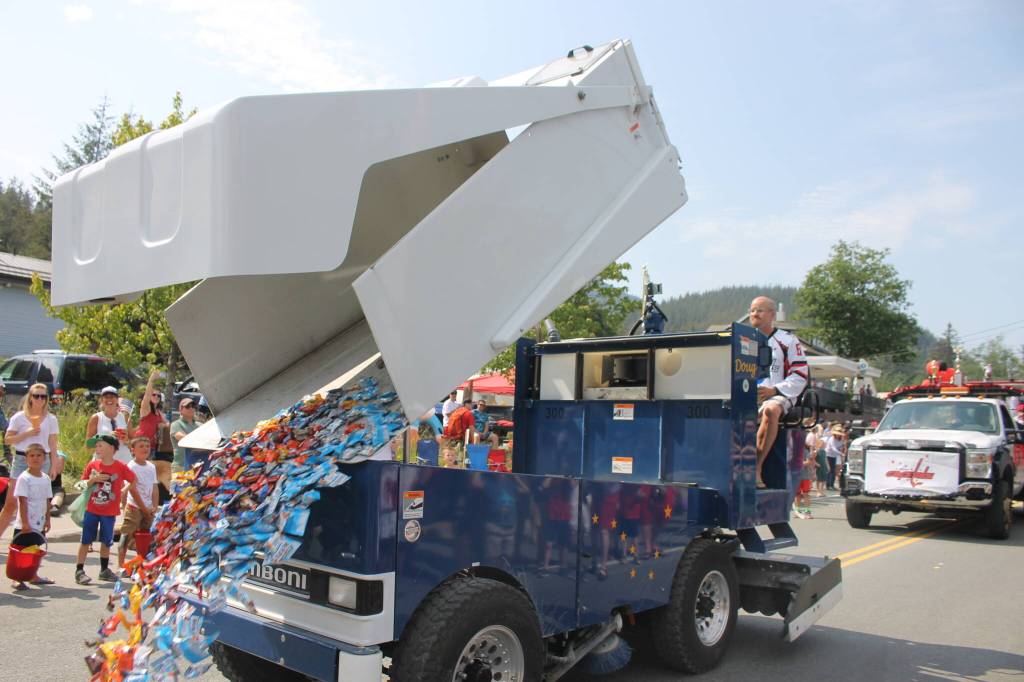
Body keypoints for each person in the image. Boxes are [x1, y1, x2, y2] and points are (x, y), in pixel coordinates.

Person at [749, 297, 809, 488]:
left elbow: (800, 375)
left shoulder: (788, 341)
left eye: (760, 310)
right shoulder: (742, 340)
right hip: (748, 395)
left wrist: (774, 389)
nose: (755, 314)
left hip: (779, 395)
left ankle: (756, 467)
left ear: (772, 314)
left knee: (771, 410)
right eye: (752, 310)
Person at [76, 434, 145, 585]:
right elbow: (80, 485)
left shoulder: (120, 466)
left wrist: (123, 491)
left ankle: (104, 570)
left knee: (107, 541)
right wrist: (92, 480)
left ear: (112, 448)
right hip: (92, 509)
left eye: (100, 445)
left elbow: (133, 480)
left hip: (109, 512)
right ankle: (79, 571)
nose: (97, 448)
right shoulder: (92, 465)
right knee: (86, 540)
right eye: (97, 446)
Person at [0, 383, 60, 538]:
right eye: (36, 396)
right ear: (30, 397)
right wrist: (27, 433)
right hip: (22, 458)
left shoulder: (51, 419)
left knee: (39, 502)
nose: (40, 399)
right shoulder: (19, 417)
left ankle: (35, 537)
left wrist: (54, 464)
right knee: (12, 502)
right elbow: (7, 440)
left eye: (43, 396)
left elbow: (53, 443)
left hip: (43, 458)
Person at [11, 443, 53, 589]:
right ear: (27, 458)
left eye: (39, 455)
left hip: (39, 521)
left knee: (35, 550)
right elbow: (22, 501)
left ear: (44, 458)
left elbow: (48, 500)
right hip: (26, 522)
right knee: (21, 550)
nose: (35, 459)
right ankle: (17, 578)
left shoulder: (46, 478)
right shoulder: (24, 478)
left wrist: (48, 519)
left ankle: (33, 575)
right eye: (32, 456)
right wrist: (25, 523)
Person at [117, 437, 159, 568]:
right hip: (134, 507)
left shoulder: (151, 466)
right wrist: (144, 509)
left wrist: (154, 506)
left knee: (145, 537)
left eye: (147, 446)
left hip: (148, 507)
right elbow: (133, 490)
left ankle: (140, 564)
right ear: (133, 450)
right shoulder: (130, 467)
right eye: (141, 446)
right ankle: (121, 565)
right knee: (127, 535)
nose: (145, 448)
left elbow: (154, 487)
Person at [86, 386, 133, 464]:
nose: (109, 399)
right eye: (106, 397)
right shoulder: (96, 418)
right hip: (102, 463)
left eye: (112, 397)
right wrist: (106, 436)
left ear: (117, 399)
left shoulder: (125, 417)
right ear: (101, 400)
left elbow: (134, 444)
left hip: (124, 463)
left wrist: (127, 440)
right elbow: (88, 444)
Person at [135, 370, 168, 450]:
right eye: (154, 395)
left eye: (158, 395)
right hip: (140, 444)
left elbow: (167, 424)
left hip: (152, 445)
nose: (156, 397)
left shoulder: (159, 412)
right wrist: (151, 380)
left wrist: (162, 425)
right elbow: (147, 395)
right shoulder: (146, 408)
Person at [170, 398, 200, 471]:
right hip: (180, 467)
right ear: (180, 410)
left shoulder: (200, 425)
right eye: (187, 406)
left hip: (198, 466)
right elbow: (184, 439)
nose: (191, 408)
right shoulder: (175, 424)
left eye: (193, 406)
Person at [825, 424, 845, 490]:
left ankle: (831, 484)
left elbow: (841, 446)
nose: (838, 435)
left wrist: (842, 448)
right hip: (828, 455)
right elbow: (833, 448)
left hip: (834, 455)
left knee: (833, 470)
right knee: (829, 470)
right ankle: (828, 484)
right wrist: (841, 453)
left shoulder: (840, 439)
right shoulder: (832, 439)